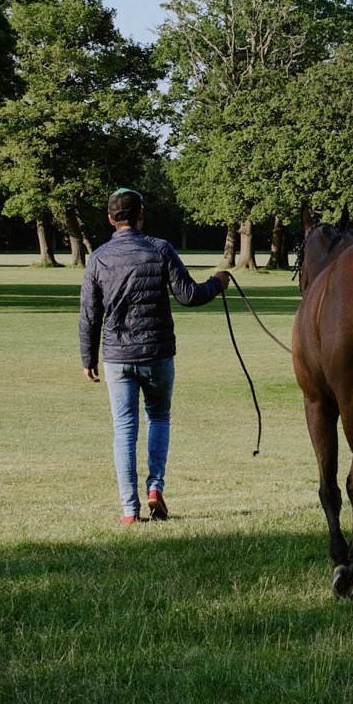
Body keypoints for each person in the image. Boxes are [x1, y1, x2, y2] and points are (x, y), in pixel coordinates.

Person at [79, 188, 228, 524]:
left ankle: (129, 510)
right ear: (141, 216)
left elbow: (89, 315)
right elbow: (189, 295)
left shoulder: (98, 258)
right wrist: (218, 282)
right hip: (158, 351)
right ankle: (155, 487)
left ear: (110, 219)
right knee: (158, 418)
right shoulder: (160, 249)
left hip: (117, 355)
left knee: (124, 428)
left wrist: (88, 358)